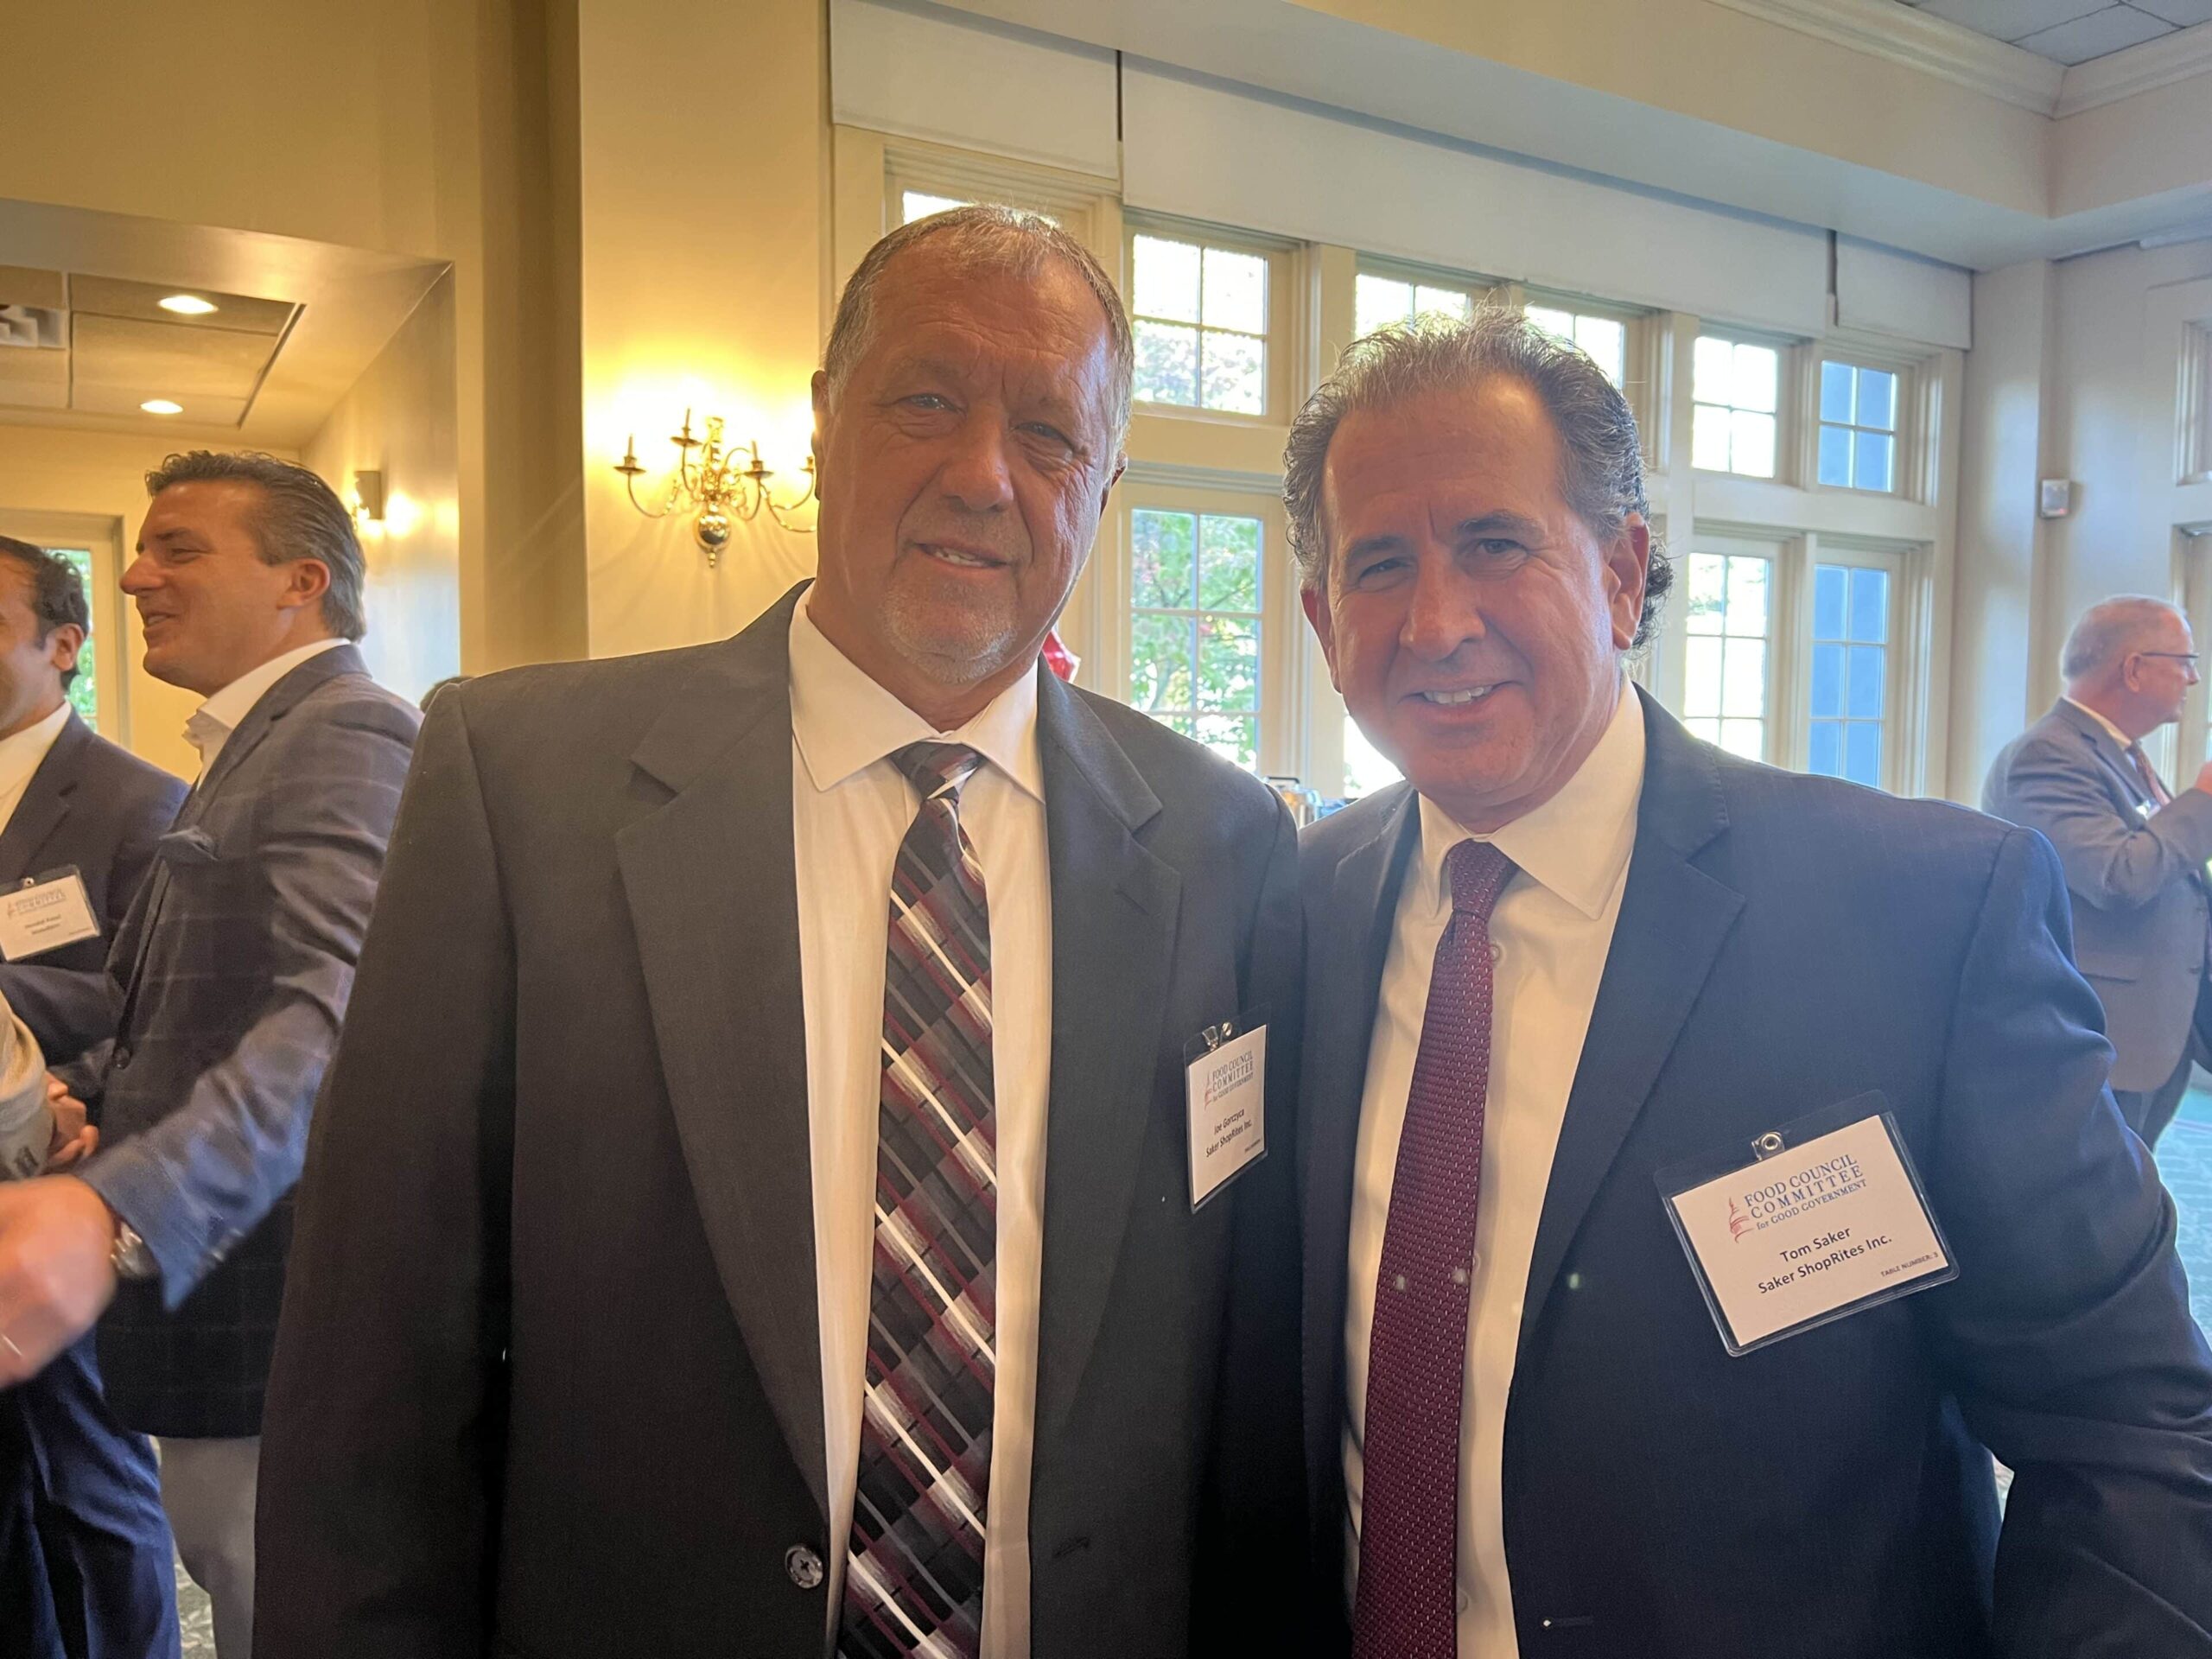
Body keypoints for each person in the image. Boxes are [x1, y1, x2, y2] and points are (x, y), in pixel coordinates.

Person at [253, 206, 1304, 1659]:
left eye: (1050, 435)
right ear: (822, 419)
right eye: (925, 400)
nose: (982, 475)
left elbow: (1244, 1380)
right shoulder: (520, 783)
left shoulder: (1222, 842)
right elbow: (374, 1369)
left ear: (1105, 483)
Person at [1289, 311, 2212, 1657]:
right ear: (1324, 624)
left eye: (1494, 544)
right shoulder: (1297, 905)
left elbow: (2130, 1431)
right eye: (1381, 565)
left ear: (1622, 575)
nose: (1435, 623)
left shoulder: (1921, 917)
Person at [0, 453, 421, 1659]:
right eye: (142, 549)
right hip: (216, 1323)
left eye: (178, 548)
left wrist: (119, 1206)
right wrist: (80, 1098)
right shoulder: (253, 743)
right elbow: (184, 1009)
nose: (136, 576)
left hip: (268, 1323)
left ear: (301, 581)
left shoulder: (343, 729)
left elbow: (339, 1013)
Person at [0, 537, 184, 1659]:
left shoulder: (141, 803)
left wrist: (67, 1091)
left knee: (89, 1494)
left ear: (63, 645)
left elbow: (161, 1012)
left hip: (63, 1188)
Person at [1982, 597, 2212, 1148]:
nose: (2194, 678)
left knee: (2135, 1183)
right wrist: (2204, 797)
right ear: (2133, 669)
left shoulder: (2120, 752)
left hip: (2153, 1028)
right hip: (2098, 1034)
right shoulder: (2047, 756)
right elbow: (2117, 876)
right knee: (2096, 1190)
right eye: (2184, 661)